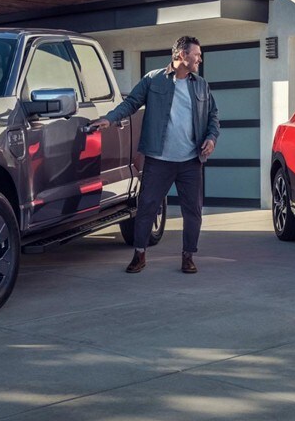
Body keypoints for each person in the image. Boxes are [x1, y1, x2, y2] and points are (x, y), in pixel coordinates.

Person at [90, 36, 219, 274]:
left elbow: (212, 117)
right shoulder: (154, 80)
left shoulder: (201, 85)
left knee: (193, 212)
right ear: (181, 54)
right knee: (146, 207)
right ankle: (139, 255)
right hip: (159, 160)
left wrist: (211, 138)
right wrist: (109, 119)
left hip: (191, 161)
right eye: (196, 54)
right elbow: (130, 104)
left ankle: (188, 256)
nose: (200, 58)